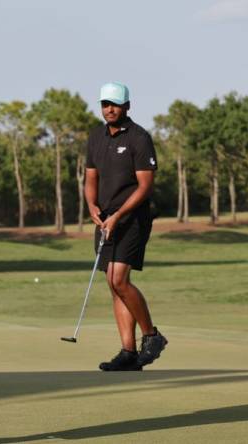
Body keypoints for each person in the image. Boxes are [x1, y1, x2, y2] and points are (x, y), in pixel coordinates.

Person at [84, 82, 167, 371]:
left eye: (115, 104)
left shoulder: (139, 138)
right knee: (112, 284)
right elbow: (90, 178)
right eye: (105, 104)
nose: (109, 109)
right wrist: (92, 206)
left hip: (132, 218)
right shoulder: (95, 137)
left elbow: (145, 186)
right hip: (105, 219)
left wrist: (118, 214)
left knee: (119, 279)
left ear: (127, 106)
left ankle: (152, 336)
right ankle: (128, 353)